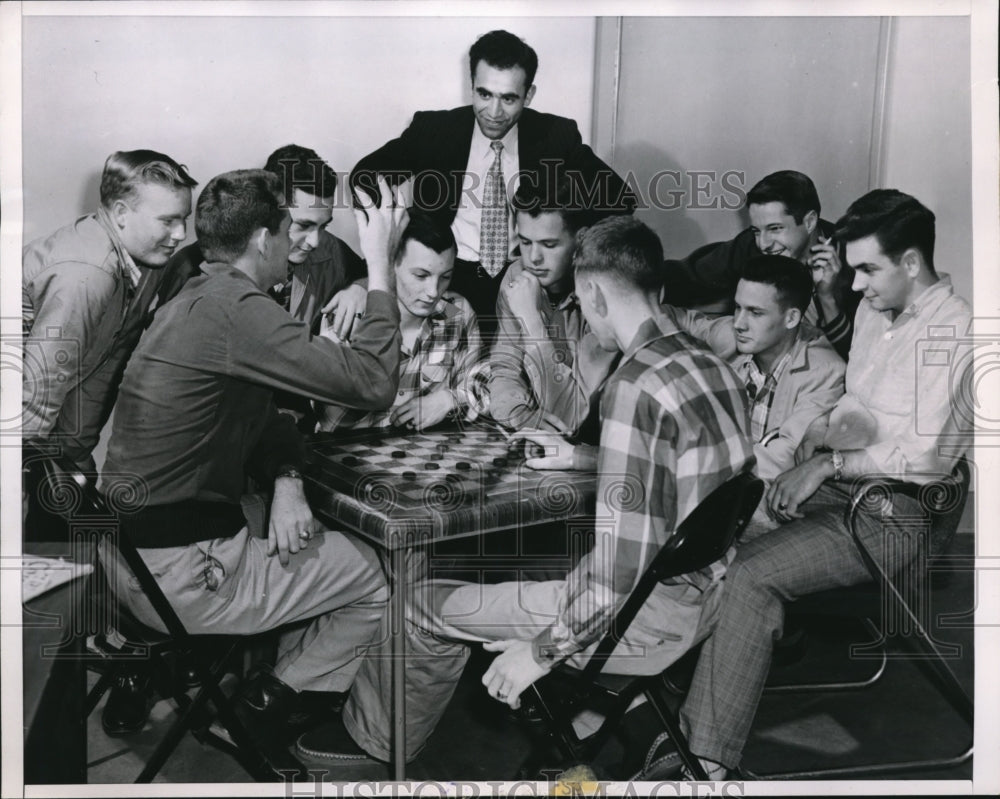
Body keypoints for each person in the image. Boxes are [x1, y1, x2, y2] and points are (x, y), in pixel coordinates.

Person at [294, 216, 755, 768]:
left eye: (583, 303)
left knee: (418, 602)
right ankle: (604, 716)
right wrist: (585, 456)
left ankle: (372, 745)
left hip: (646, 615)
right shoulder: (710, 364)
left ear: (594, 294)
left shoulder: (635, 385)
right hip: (711, 597)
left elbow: (617, 570)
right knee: (508, 561)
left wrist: (540, 653)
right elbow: (684, 480)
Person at [97, 169, 407, 769]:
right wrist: (380, 269)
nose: (296, 244)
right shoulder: (239, 309)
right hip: (179, 575)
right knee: (376, 575)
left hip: (126, 563)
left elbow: (258, 416)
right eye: (290, 231)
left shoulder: (196, 295)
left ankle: (255, 685)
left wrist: (288, 478)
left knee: (300, 535)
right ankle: (259, 710)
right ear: (264, 239)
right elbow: (373, 383)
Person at [670, 190, 972, 780]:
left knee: (752, 573)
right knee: (701, 525)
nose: (855, 285)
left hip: (897, 513)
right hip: (841, 492)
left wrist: (827, 465)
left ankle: (703, 763)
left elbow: (927, 458)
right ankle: (655, 685)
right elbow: (861, 408)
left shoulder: (954, 330)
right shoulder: (876, 312)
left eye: (868, 270)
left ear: (911, 262)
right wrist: (817, 433)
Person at [351, 29, 636, 341]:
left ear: (528, 95)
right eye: (484, 94)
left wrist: (571, 255)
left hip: (523, 282)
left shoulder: (555, 136)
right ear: (471, 85)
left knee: (530, 360)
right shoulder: (434, 131)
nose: (494, 112)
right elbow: (364, 178)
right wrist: (394, 244)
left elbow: (620, 199)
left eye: (508, 98)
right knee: (446, 357)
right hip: (447, 284)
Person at [160, 144, 370, 430]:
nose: (315, 242)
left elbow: (370, 272)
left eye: (323, 227)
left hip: (295, 429)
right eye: (302, 225)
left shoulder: (330, 251)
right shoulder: (192, 266)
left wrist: (360, 287)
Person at [22, 149, 196, 475]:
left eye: (184, 219)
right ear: (120, 213)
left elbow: (106, 361)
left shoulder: (147, 259)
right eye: (168, 221)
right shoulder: (87, 274)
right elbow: (35, 400)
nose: (181, 234)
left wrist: (74, 454)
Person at [662, 170, 859, 360]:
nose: (763, 244)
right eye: (756, 230)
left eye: (775, 229)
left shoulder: (855, 260)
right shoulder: (750, 245)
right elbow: (687, 276)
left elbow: (854, 356)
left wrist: (827, 298)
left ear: (809, 222)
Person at [316, 211, 482, 432]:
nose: (433, 292)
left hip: (430, 450)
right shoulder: (348, 314)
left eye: (445, 277)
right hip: (348, 450)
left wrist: (449, 399)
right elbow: (334, 418)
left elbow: (489, 383)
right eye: (421, 276)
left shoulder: (456, 312)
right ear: (390, 265)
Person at [730, 254, 846, 488]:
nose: (738, 324)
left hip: (763, 493)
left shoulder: (826, 372)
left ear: (791, 318)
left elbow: (783, 458)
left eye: (755, 312)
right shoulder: (737, 346)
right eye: (737, 308)